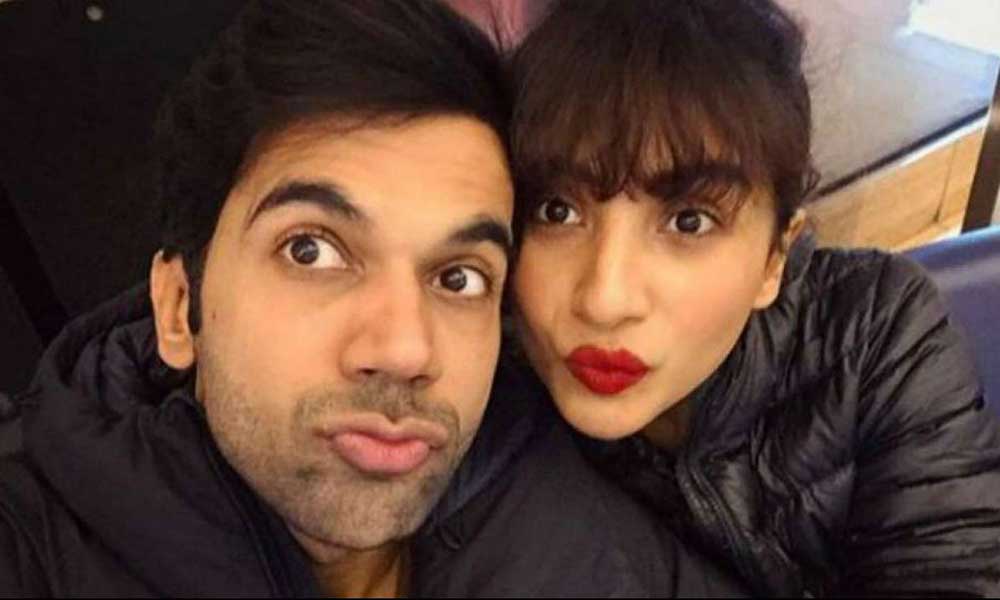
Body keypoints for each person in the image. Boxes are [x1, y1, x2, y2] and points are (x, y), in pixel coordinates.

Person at [0, 0, 747, 596]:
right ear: (176, 309)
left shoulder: (562, 500)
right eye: (312, 250)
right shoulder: (38, 550)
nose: (405, 349)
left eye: (459, 278)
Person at [505, 0, 1000, 596]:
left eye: (689, 222)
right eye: (557, 211)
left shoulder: (877, 335)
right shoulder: (492, 393)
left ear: (775, 259)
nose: (605, 300)